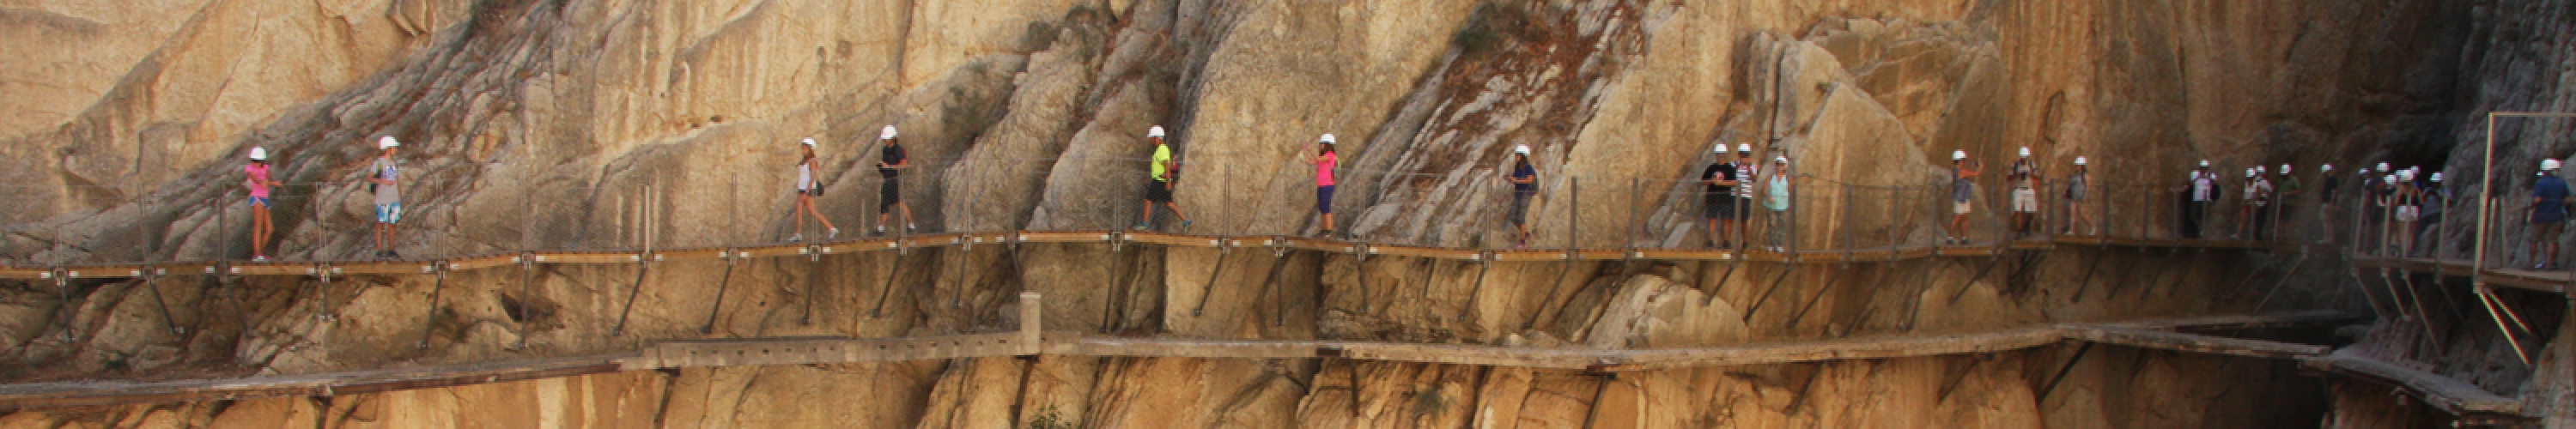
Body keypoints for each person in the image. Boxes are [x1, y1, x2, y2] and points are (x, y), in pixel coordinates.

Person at [1137, 126, 1193, 232]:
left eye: (1153, 138)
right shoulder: (1161, 149)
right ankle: (1186, 221)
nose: (1151, 141)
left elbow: (1167, 165)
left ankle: (1145, 224)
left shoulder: (1162, 149)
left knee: (1148, 200)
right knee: (1169, 203)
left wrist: (1167, 181)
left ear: (1157, 138)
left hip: (1160, 180)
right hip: (1162, 180)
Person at [788, 138, 839, 242]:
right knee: (811, 212)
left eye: (805, 148)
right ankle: (831, 228)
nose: (803, 150)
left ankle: (798, 233)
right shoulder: (805, 161)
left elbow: (813, 177)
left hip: (808, 190)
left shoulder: (812, 161)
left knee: (801, 211)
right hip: (802, 189)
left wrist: (807, 191)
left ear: (811, 149)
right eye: (802, 148)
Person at [876, 126, 917, 235]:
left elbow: (904, 165)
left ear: (893, 138)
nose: (885, 140)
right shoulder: (885, 150)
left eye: (887, 138)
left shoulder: (898, 150)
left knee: (900, 203)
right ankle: (880, 228)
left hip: (896, 179)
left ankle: (911, 225)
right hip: (887, 179)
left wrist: (889, 166)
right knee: (884, 204)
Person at [367, 136, 404, 259]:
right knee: (381, 224)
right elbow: (370, 177)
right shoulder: (378, 163)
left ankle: (391, 250)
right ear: (388, 149)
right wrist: (382, 181)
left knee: (392, 224)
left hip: (394, 198)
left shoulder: (393, 163)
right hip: (382, 198)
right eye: (394, 147)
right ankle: (379, 250)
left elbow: (396, 180)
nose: (396, 150)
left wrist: (400, 195)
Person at [1699, 144, 1741, 248]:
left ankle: (1727, 241)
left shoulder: (1730, 168)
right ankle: (1711, 240)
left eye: (1722, 154)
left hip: (1726, 197)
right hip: (1712, 197)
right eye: (1719, 154)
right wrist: (1712, 181)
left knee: (1727, 219)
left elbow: (1735, 182)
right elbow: (1703, 181)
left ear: (1725, 155)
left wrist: (1722, 183)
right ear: (1716, 155)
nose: (1721, 156)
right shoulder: (1711, 168)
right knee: (1712, 219)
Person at [246, 148, 283, 261]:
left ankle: (260, 252)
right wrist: (271, 183)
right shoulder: (249, 168)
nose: (256, 163)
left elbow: (269, 178)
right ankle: (257, 254)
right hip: (256, 197)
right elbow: (257, 181)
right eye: (254, 160)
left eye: (258, 160)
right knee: (259, 226)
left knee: (270, 228)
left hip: (264, 198)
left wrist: (270, 181)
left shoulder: (266, 167)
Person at [1301, 133, 1340, 238]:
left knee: (1326, 208)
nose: (1320, 145)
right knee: (1322, 208)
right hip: (1322, 185)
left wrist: (1310, 149)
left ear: (1327, 144)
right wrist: (1305, 151)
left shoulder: (1330, 155)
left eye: (1322, 143)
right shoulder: (1324, 157)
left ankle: (1328, 231)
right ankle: (1324, 230)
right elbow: (1310, 161)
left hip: (1327, 185)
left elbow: (1318, 159)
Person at [2532, 160, 2569, 269]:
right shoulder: (2562, 183)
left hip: (2540, 216)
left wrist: (2532, 205)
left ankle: (2531, 264)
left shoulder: (2541, 183)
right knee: (2552, 241)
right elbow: (2568, 200)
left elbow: (2537, 199)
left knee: (2534, 240)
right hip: (2557, 216)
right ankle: (2550, 264)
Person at [1506, 145, 1538, 247]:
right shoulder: (1518, 167)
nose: (1516, 156)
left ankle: (1522, 240)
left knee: (1521, 217)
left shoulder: (1527, 167)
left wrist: (1517, 180)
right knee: (1513, 217)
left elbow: (1530, 179)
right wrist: (1510, 179)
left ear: (1522, 155)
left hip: (1526, 193)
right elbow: (1516, 179)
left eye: (1517, 154)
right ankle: (1526, 235)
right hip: (1518, 192)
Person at [1947, 150, 1981, 245]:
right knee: (1957, 218)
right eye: (1963, 160)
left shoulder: (1956, 171)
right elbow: (1976, 174)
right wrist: (1981, 167)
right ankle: (1950, 238)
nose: (1964, 162)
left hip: (1964, 197)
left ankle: (1964, 238)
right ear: (1960, 160)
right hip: (1960, 198)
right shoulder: (1960, 171)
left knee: (1965, 218)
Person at [1763, 155, 1792, 251]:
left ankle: (1780, 245)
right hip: (1771, 203)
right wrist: (1768, 196)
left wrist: (1789, 204)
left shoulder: (1788, 178)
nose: (1779, 166)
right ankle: (1771, 244)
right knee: (1771, 223)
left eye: (1782, 164)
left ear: (1785, 166)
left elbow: (1790, 191)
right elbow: (1765, 189)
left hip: (1783, 204)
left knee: (1782, 224)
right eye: (1778, 164)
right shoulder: (1770, 177)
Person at [2008, 147, 2038, 238]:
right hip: (2019, 189)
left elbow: (2037, 176)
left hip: (2029, 189)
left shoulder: (2031, 165)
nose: (2024, 159)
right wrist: (2017, 174)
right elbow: (2008, 177)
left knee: (2031, 211)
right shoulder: (2015, 165)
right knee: (2019, 211)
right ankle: (2020, 231)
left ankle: (2026, 225)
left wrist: (2030, 174)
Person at [2183, 160, 2216, 239]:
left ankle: (2202, 231)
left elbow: (2217, 183)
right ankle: (2200, 229)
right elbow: (2191, 183)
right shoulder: (2195, 174)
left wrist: (2209, 178)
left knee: (2204, 215)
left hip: (2206, 198)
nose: (2204, 170)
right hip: (2196, 198)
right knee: (2193, 216)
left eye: (2206, 168)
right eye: (2203, 168)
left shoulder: (2212, 175)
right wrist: (2199, 177)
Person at [1734, 143, 1759, 247]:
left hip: (1746, 195)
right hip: (1735, 195)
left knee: (1744, 219)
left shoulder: (1752, 166)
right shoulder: (1733, 165)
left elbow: (1754, 179)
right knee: (1732, 218)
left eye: (1746, 154)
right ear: (1739, 154)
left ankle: (1745, 241)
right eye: (1743, 154)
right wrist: (1738, 166)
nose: (1744, 156)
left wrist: (1748, 167)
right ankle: (1732, 241)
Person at [2392, 171, 2420, 255]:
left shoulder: (2401, 188)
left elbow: (2397, 201)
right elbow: (2421, 200)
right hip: (2414, 209)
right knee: (2411, 232)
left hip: (2403, 209)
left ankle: (2402, 251)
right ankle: (2409, 250)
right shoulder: (2415, 189)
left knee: (2402, 232)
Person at [2064, 156, 2092, 235]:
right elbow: (2071, 184)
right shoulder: (2075, 175)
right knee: (2073, 213)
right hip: (2074, 195)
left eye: (2079, 165)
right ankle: (2072, 230)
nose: (2077, 167)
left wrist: (2085, 196)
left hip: (2081, 196)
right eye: (2077, 165)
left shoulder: (2086, 175)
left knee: (2083, 214)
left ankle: (2092, 226)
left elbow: (2088, 186)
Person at [2317, 164, 2337, 243]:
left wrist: (2331, 203)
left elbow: (2334, 191)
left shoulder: (2332, 179)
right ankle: (2328, 237)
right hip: (2327, 202)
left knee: (2326, 220)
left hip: (2328, 203)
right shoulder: (2331, 179)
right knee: (2327, 220)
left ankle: (2328, 238)